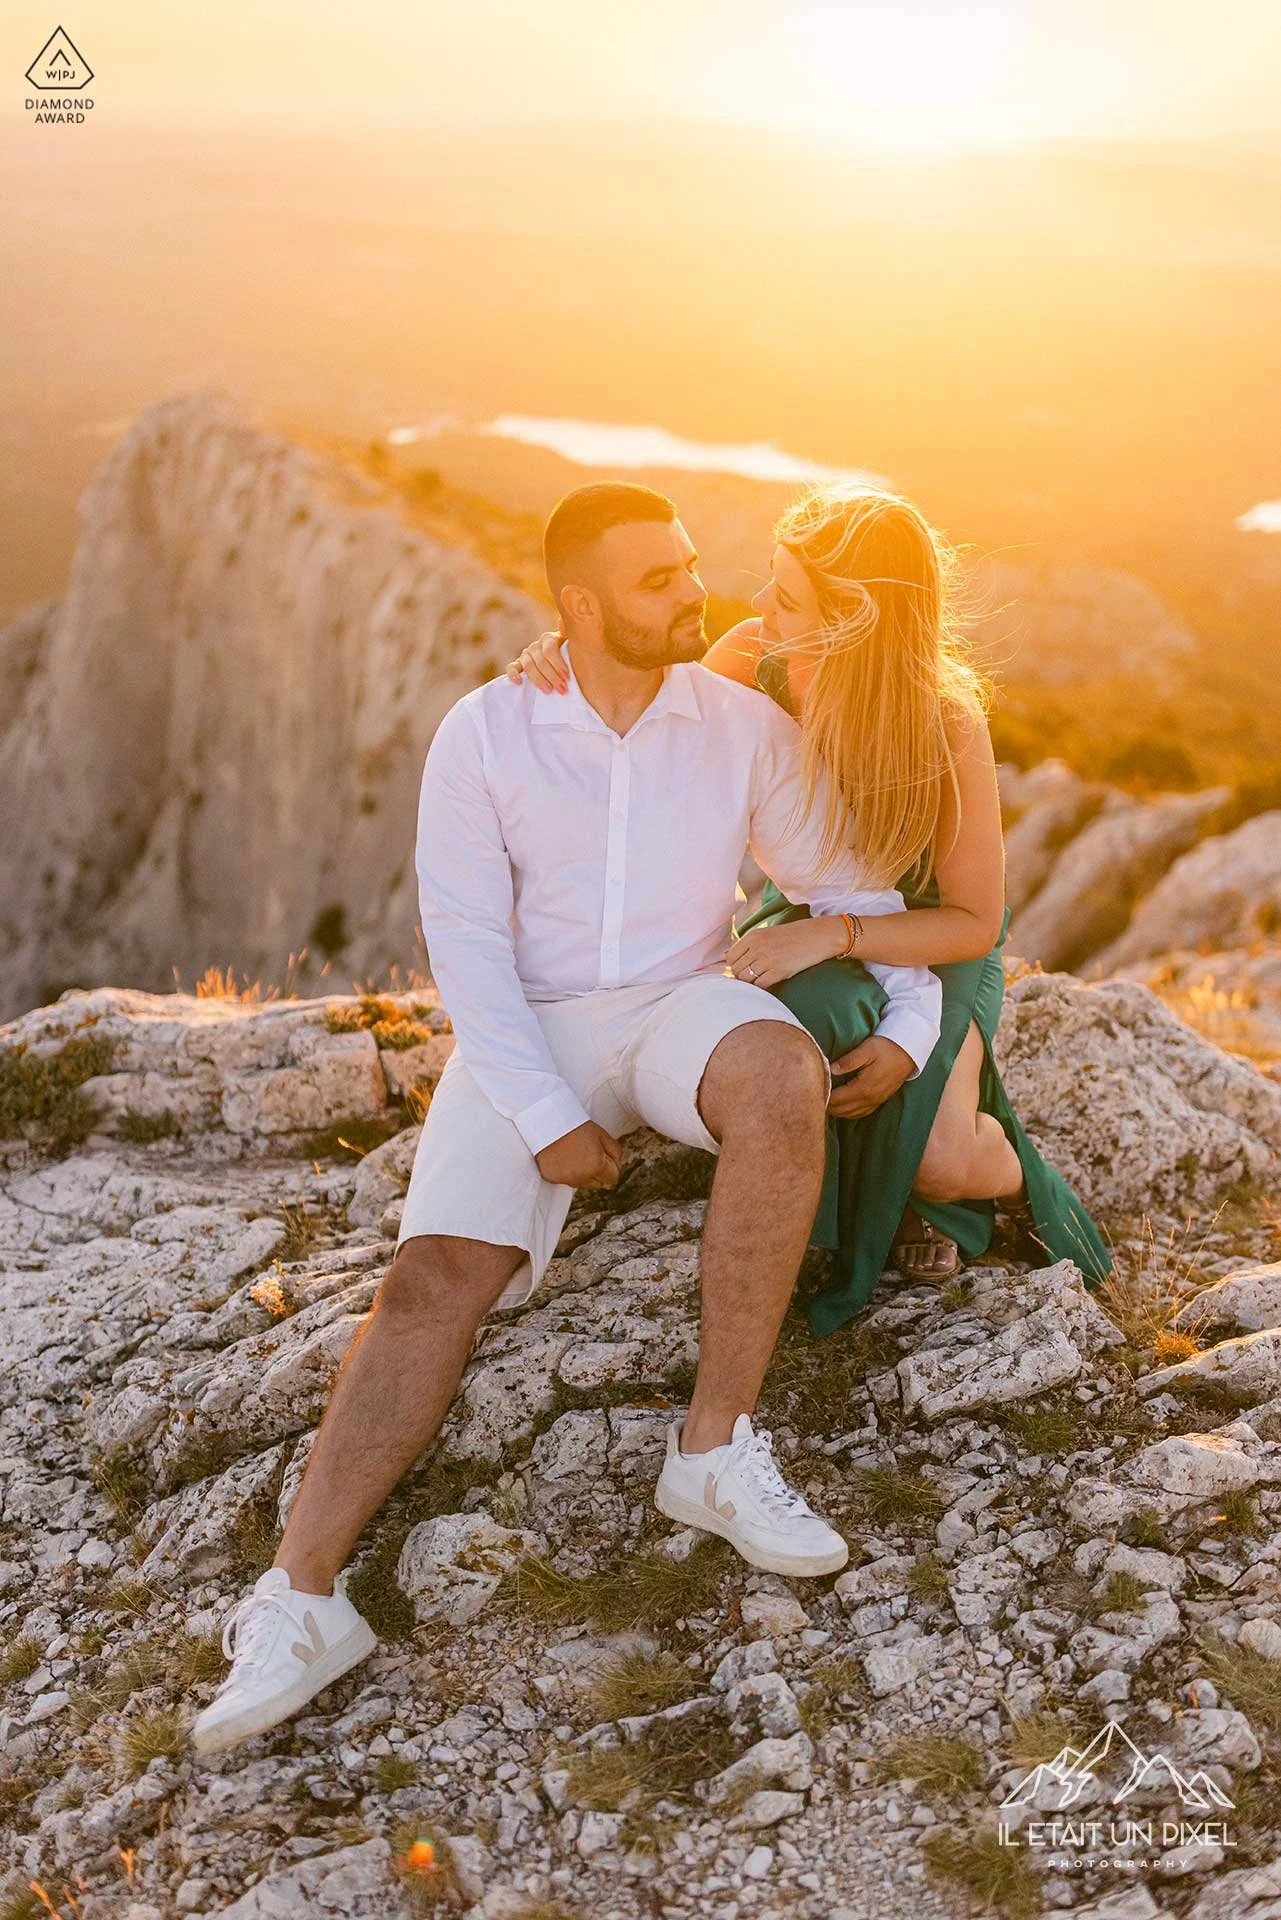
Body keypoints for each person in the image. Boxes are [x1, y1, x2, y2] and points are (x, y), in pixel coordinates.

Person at [190, 481, 942, 1757]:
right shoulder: (484, 733)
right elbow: (468, 948)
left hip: (675, 1009)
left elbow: (842, 885)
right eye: (661, 580)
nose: (696, 595)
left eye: (693, 567)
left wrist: (911, 1026)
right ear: (579, 604)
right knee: (434, 1277)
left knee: (778, 1080)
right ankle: (300, 1599)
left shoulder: (740, 726)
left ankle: (713, 1451)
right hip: (522, 1024)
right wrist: (542, 1115)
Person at [504, 480, 1112, 1336]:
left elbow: (973, 919)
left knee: (942, 1159)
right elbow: (641, 711)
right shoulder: (753, 658)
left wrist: (842, 939)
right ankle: (864, 1206)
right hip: (805, 912)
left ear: (853, 616)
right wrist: (563, 656)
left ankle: (1002, 1186)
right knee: (792, 1039)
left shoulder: (944, 719)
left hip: (931, 938)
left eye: (784, 596)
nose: (755, 605)